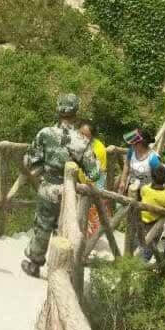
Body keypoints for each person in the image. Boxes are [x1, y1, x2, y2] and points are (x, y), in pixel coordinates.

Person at [21, 94, 99, 278]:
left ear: (58, 109)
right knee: (67, 227)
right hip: (71, 192)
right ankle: (65, 269)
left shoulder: (45, 133)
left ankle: (35, 264)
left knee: (43, 225)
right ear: (76, 111)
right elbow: (94, 173)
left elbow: (29, 160)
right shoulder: (82, 141)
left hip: (48, 188)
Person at [139, 165, 165, 261]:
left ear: (152, 177)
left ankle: (134, 260)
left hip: (141, 220)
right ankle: (142, 263)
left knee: (139, 241)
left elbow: (142, 196)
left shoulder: (145, 188)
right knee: (150, 246)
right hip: (156, 223)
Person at [78, 120, 107, 238]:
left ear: (92, 136)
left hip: (93, 184)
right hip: (78, 182)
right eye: (81, 134)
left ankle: (87, 244)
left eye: (86, 135)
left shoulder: (98, 148)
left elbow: (97, 173)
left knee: (90, 214)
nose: (83, 137)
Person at [118, 129, 160, 193]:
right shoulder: (132, 151)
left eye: (134, 143)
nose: (132, 145)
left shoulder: (153, 159)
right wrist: (123, 181)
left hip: (146, 190)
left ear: (141, 143)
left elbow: (158, 178)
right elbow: (126, 165)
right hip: (132, 185)